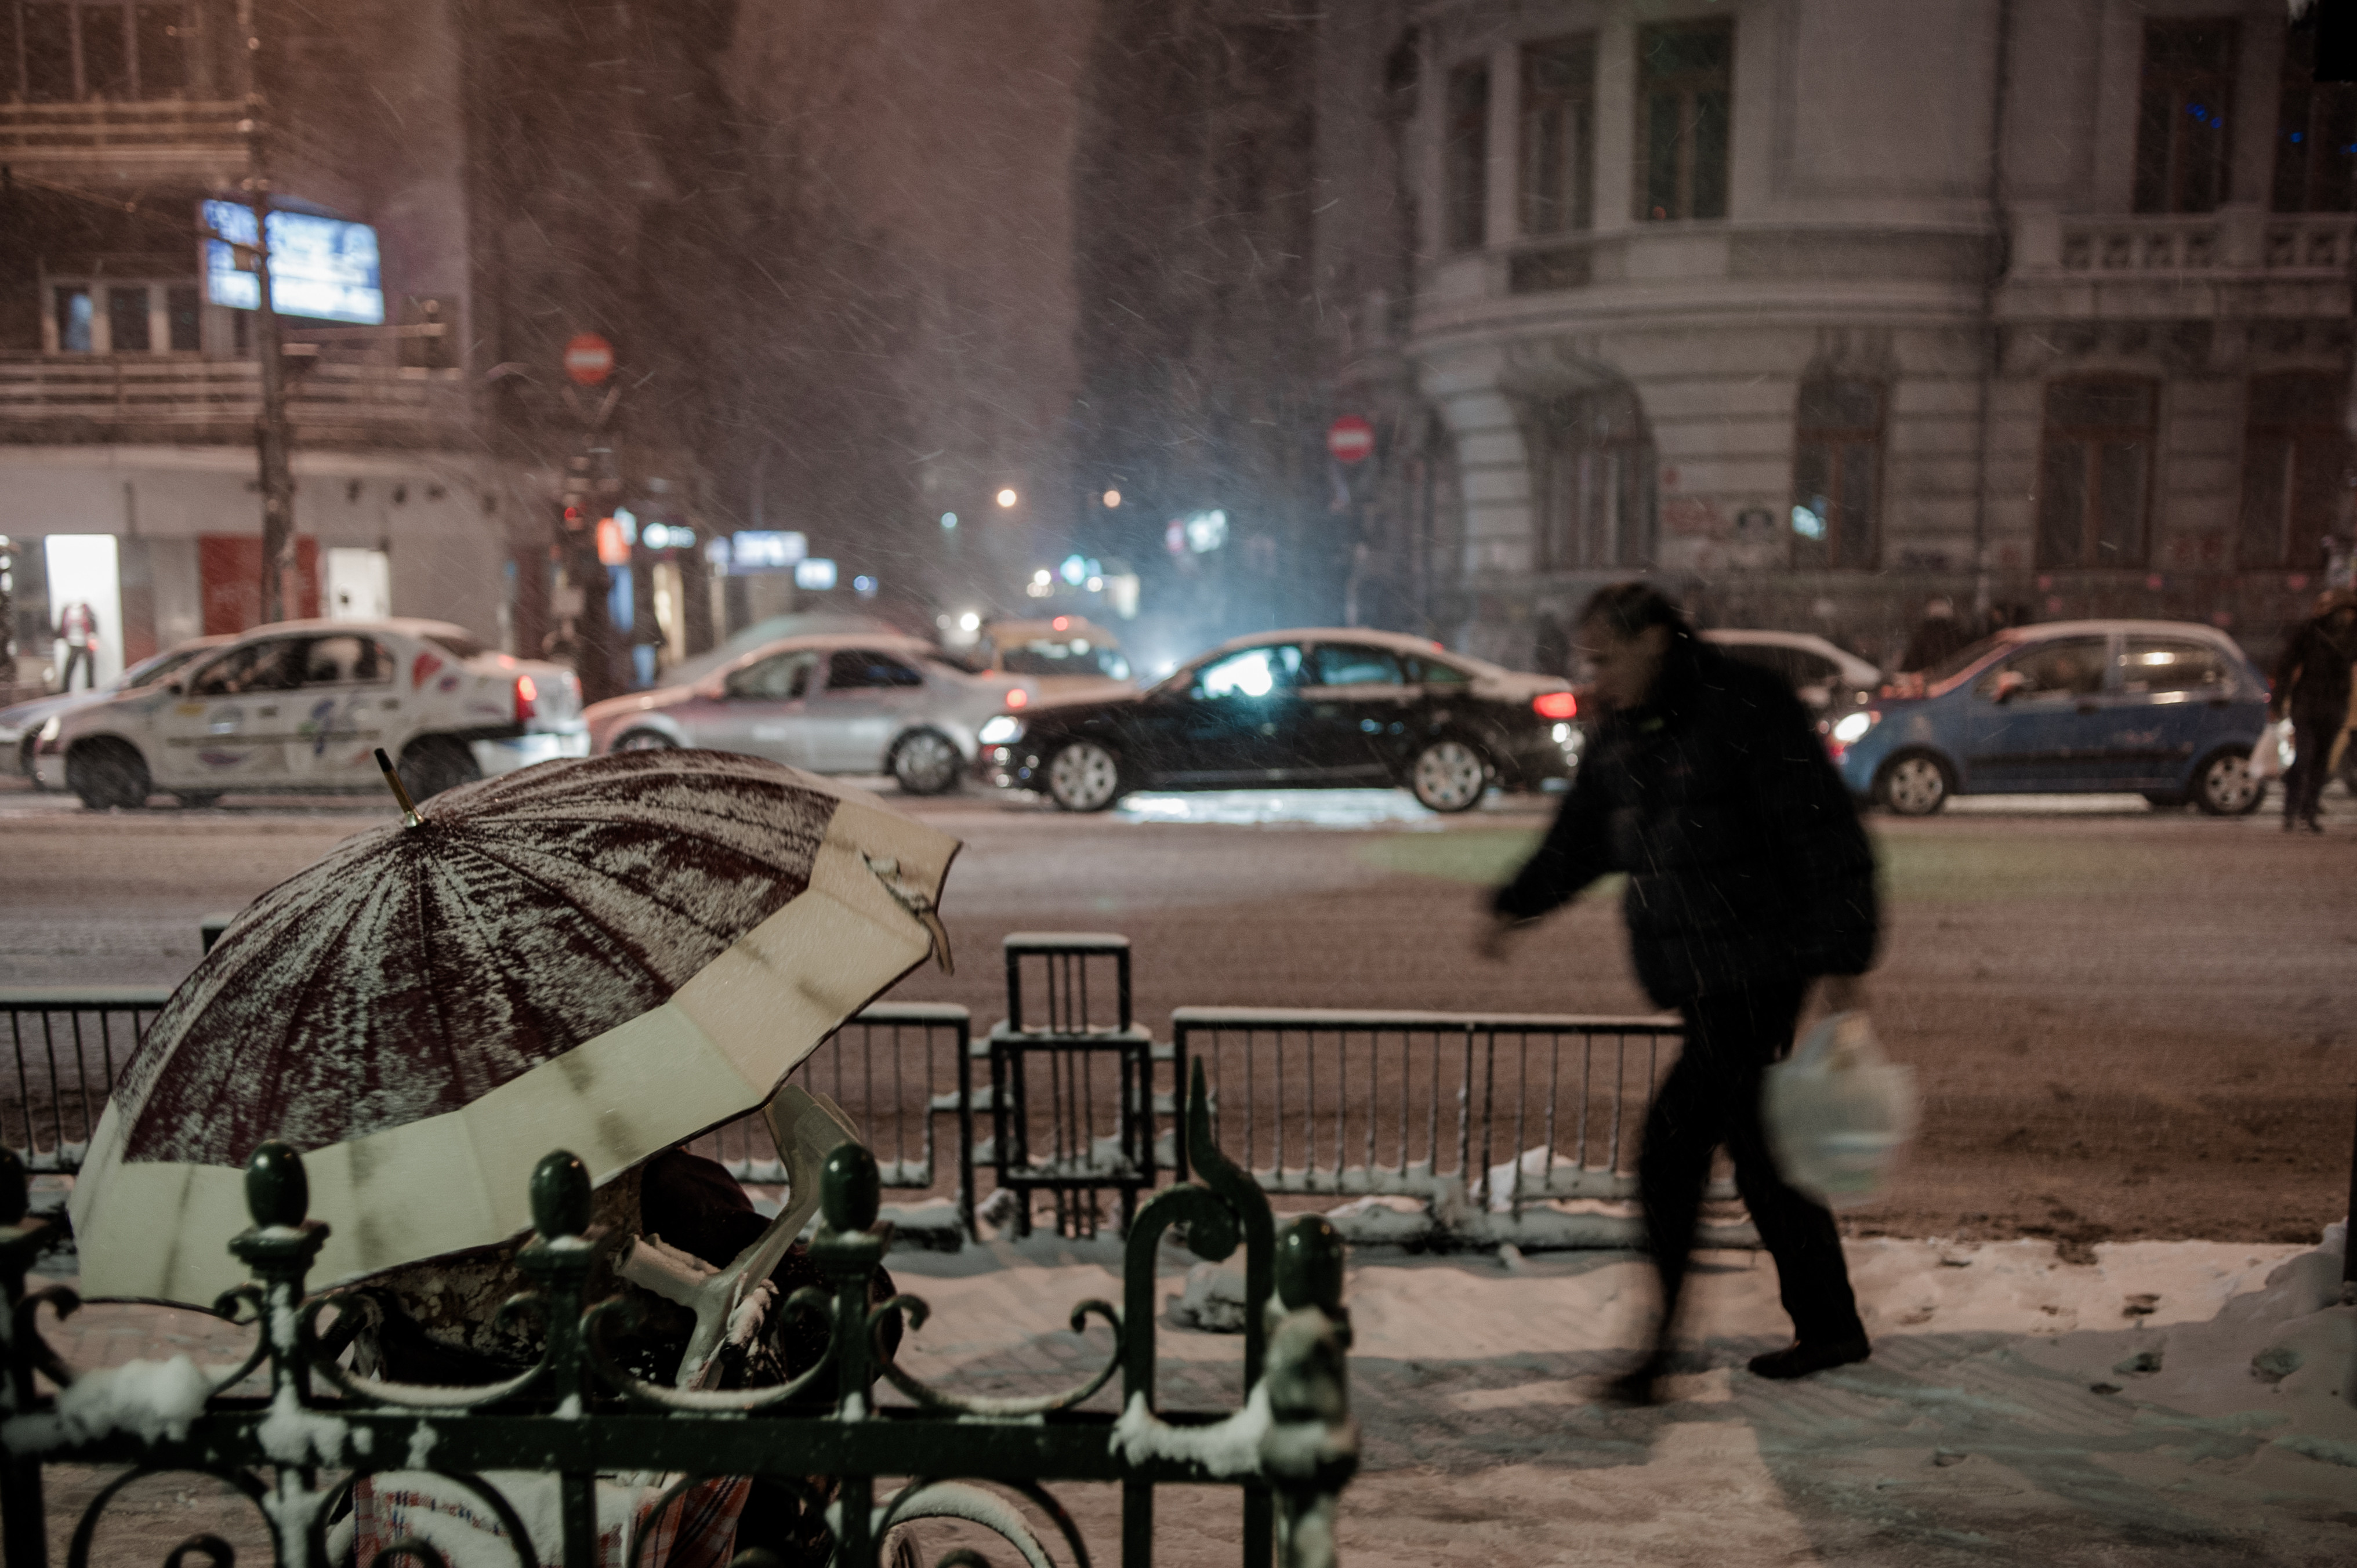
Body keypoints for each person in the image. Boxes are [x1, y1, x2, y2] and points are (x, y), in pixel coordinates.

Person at [1478, 582, 1880, 1403]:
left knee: (1670, 1151)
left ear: (1654, 640)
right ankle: (1830, 1325)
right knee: (1760, 1151)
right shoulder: (1625, 731)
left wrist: (1842, 956)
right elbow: (1581, 837)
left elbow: (1819, 827)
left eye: (1605, 658)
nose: (1594, 676)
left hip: (1759, 965)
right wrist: (1515, 905)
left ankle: (1656, 1352)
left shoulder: (1744, 705)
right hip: (1702, 973)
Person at [2270, 587, 2357, 833]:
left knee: (2321, 761)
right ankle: (2291, 809)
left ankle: (2308, 813)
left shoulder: (2352, 637)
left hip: (2334, 705)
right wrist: (2277, 702)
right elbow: (2287, 665)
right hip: (2307, 704)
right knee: (2305, 757)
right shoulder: (2311, 631)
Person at [1898, 597, 1972, 674]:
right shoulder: (1957, 633)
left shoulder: (1923, 635)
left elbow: (1909, 667)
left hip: (1934, 676)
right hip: (1958, 675)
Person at [55, 601, 99, 690]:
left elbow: (93, 624)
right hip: (73, 643)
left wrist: (92, 636)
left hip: (86, 643)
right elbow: (62, 626)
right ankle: (65, 690)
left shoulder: (86, 610)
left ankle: (91, 689)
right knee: (69, 667)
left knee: (89, 668)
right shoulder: (67, 611)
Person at [1531, 609, 1571, 679]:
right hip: (1550, 671)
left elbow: (1566, 650)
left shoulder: (1558, 635)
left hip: (1557, 670)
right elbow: (1539, 653)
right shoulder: (1543, 637)